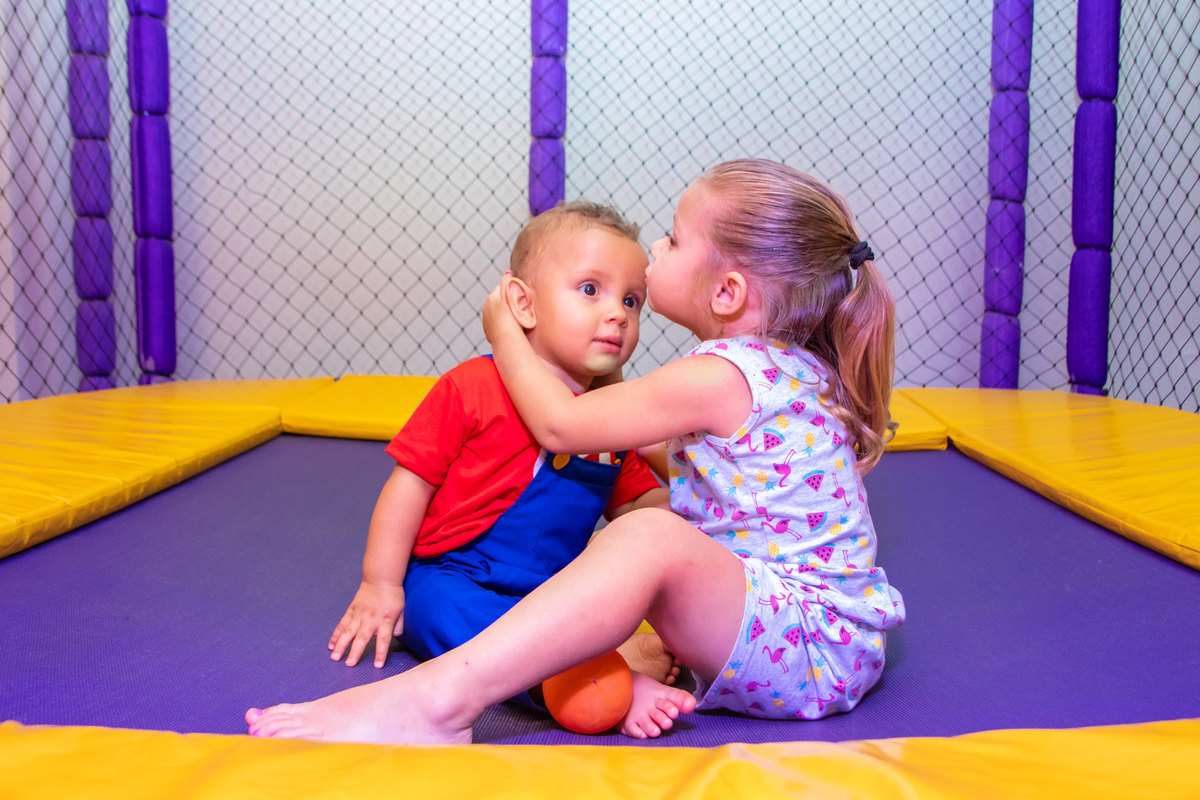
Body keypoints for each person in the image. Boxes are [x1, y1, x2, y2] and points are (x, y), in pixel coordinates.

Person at [246, 159, 906, 744]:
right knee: (653, 523)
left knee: (649, 534)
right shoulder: (786, 370)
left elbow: (565, 428)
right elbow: (647, 455)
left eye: (672, 239)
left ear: (727, 294)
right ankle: (583, 664)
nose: (657, 246)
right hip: (809, 640)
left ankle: (438, 701)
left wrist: (504, 326)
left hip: (802, 647)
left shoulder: (717, 375)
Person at [321, 200, 674, 707]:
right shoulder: (472, 385)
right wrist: (380, 584)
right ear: (522, 304)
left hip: (554, 592)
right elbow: (409, 483)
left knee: (597, 600)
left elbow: (636, 509)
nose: (617, 313)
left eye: (633, 301)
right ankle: (581, 678)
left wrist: (687, 507)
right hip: (456, 572)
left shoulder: (608, 416)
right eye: (591, 290)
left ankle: (592, 655)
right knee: (437, 611)